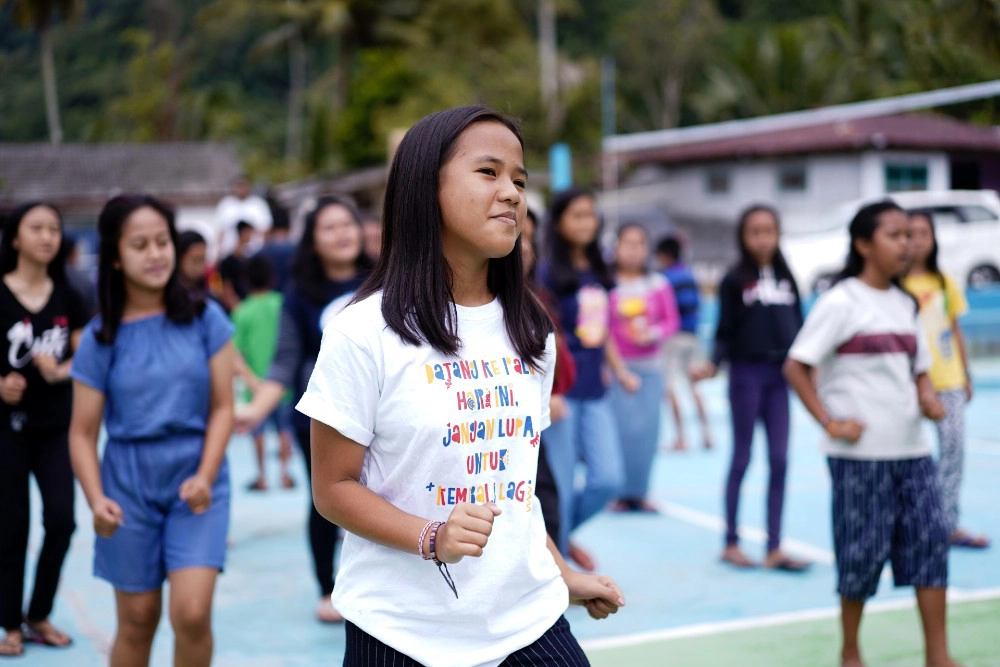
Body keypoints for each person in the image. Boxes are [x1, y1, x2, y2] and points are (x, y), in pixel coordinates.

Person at [299, 104, 623, 667]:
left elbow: (514, 490)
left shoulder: (532, 330)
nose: (513, 194)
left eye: (520, 180)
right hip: (400, 634)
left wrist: (563, 573)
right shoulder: (361, 332)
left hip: (530, 622)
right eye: (489, 172)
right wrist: (432, 537)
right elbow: (332, 489)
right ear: (427, 188)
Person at [784, 200, 957, 667]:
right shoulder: (841, 302)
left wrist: (928, 396)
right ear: (863, 244)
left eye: (910, 235)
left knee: (930, 546)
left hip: (914, 451)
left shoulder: (906, 303)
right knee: (861, 556)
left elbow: (919, 369)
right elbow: (796, 366)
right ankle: (850, 651)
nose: (907, 244)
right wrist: (830, 421)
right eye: (895, 235)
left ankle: (938, 656)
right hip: (859, 459)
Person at [69, 194, 235, 667]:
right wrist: (95, 498)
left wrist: (205, 475)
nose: (156, 253)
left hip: (196, 479)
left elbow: (223, 407)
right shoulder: (101, 337)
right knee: (138, 619)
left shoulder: (207, 319)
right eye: (140, 245)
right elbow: (82, 433)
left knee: (192, 613)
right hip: (127, 483)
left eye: (162, 241)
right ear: (116, 258)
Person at [236, 195, 372, 623]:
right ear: (312, 241)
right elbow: (284, 361)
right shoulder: (298, 295)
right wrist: (255, 410)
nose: (342, 233)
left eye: (347, 224)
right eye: (329, 227)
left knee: (383, 498)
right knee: (328, 502)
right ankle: (328, 589)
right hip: (322, 421)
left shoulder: (383, 281)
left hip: (381, 415)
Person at [691, 205, 808, 571]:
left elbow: (801, 329)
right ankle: (731, 542)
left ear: (778, 234)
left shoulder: (788, 279)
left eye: (769, 230)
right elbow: (724, 331)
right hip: (746, 376)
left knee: (780, 460)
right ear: (743, 236)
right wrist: (713, 363)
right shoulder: (733, 280)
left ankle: (774, 548)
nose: (762, 238)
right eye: (755, 231)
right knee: (741, 459)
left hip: (779, 378)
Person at [0, 202, 88, 656]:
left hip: (56, 428)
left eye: (54, 228)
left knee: (61, 521)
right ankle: (9, 623)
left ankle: (38, 614)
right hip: (7, 432)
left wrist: (60, 372)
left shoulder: (69, 294)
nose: (47, 236)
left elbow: (84, 356)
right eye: (36, 228)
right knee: (11, 526)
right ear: (15, 237)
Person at [539, 187, 638, 571]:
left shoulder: (599, 270)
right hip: (561, 393)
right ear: (559, 222)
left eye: (590, 216)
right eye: (577, 215)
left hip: (595, 391)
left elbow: (603, 328)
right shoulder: (547, 272)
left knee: (608, 479)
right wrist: (547, 390)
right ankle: (556, 566)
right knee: (560, 488)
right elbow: (543, 334)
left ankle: (555, 536)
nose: (586, 223)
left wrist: (620, 370)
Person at [903, 210, 989, 549]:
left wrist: (965, 374)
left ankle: (947, 523)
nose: (916, 240)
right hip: (908, 385)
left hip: (948, 380)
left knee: (953, 452)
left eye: (923, 233)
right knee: (909, 456)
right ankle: (912, 524)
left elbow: (955, 329)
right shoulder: (895, 284)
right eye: (908, 233)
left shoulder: (943, 281)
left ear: (933, 239)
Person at [608, 223, 679, 512]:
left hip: (651, 367)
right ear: (616, 247)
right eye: (627, 243)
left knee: (648, 432)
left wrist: (654, 334)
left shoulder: (659, 284)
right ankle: (621, 493)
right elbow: (602, 327)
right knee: (621, 429)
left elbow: (672, 321)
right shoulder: (607, 284)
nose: (633, 250)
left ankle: (641, 491)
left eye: (639, 243)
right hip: (618, 368)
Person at [522, 208, 576, 547]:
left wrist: (552, 391)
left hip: (535, 418)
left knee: (547, 497)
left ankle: (558, 558)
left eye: (527, 238)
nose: (521, 246)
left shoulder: (536, 302)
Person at [232, 255, 295, 491]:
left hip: (256, 384)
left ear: (245, 281)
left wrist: (251, 381)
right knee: (284, 429)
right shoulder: (283, 303)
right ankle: (285, 475)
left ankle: (262, 477)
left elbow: (234, 353)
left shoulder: (243, 311)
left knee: (257, 432)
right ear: (273, 278)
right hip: (284, 385)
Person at [655, 235, 712, 451]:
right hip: (693, 336)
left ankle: (681, 439)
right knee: (695, 386)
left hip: (674, 337)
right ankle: (707, 435)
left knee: (670, 388)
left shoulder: (664, 278)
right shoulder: (689, 275)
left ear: (664, 255)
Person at [214, 174, 272, 258]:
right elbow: (220, 231)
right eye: (238, 185)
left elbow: (266, 230)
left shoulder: (259, 204)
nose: (241, 188)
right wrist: (219, 252)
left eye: (243, 185)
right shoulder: (225, 205)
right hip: (230, 255)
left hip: (254, 255)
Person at [217, 221, 253, 311]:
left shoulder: (247, 258)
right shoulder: (228, 261)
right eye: (248, 232)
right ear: (242, 233)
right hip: (236, 308)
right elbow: (226, 287)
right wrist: (237, 308)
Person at [176, 231, 211, 301]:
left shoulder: (207, 298)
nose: (201, 266)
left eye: (203, 259)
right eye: (196, 260)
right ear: (179, 259)